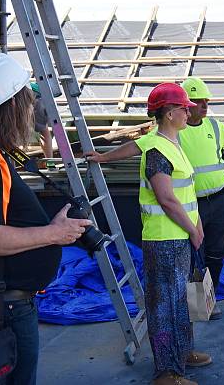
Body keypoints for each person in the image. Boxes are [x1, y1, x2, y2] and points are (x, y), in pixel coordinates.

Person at [0, 52, 92, 385]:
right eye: (27, 104)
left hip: (1, 304)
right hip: (2, 310)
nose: (31, 112)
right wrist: (54, 234)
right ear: (11, 107)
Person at [90, 83, 211, 385]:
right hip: (165, 239)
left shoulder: (164, 142)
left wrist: (196, 226)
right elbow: (167, 200)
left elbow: (133, 148)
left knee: (178, 299)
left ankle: (182, 353)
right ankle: (167, 372)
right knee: (164, 305)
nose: (189, 112)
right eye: (185, 108)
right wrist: (192, 229)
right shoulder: (158, 150)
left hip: (179, 236)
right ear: (170, 114)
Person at [179, 77, 224, 319]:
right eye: (198, 102)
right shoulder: (175, 130)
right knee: (190, 254)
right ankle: (191, 305)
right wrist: (104, 158)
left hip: (219, 200)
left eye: (206, 101)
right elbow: (141, 146)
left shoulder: (215, 127)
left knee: (215, 253)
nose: (204, 106)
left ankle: (210, 299)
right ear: (185, 105)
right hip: (191, 204)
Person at [30, 82, 53, 159]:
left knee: (11, 135)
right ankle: (50, 163)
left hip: (34, 97)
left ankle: (10, 167)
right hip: (34, 96)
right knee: (45, 133)